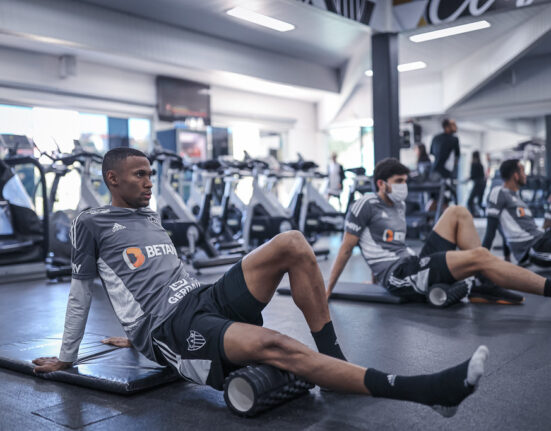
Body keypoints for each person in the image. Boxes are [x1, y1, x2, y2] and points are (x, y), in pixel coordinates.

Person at [32, 147, 489, 417]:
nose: (149, 182)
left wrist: (127, 335)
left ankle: (333, 361)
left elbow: (144, 279)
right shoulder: (89, 222)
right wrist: (72, 356)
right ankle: (426, 391)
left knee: (291, 241)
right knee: (278, 345)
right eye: (140, 175)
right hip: (171, 328)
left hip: (201, 296)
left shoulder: (149, 215)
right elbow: (82, 292)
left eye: (151, 174)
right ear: (112, 179)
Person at [327, 157, 551, 304]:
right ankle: (541, 287)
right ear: (380, 184)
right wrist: (328, 290)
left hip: (414, 262)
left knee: (457, 211)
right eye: (398, 181)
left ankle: (482, 283)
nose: (403, 186)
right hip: (399, 275)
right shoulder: (365, 204)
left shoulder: (399, 206)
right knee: (480, 256)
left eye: (405, 181)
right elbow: (347, 249)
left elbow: (382, 245)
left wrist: (373, 282)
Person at [483, 159, 551, 266]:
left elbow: (505, 228)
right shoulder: (499, 192)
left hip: (542, 238)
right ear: (516, 175)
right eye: (523, 171)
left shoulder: (517, 197)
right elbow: (490, 232)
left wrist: (507, 258)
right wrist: (480, 267)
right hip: (534, 247)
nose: (526, 175)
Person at [466, 151, 486, 216]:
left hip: (478, 184)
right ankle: (487, 213)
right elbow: (482, 175)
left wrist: (467, 179)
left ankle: (472, 215)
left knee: (469, 201)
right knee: (479, 203)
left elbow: (473, 176)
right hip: (483, 184)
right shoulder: (481, 165)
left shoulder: (474, 164)